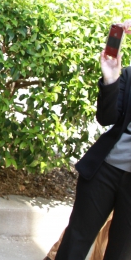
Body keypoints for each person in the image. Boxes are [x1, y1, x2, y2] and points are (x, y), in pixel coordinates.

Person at [55, 19, 131, 260]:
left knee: (121, 251)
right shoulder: (129, 75)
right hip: (104, 170)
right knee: (76, 238)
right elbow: (106, 118)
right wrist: (111, 78)